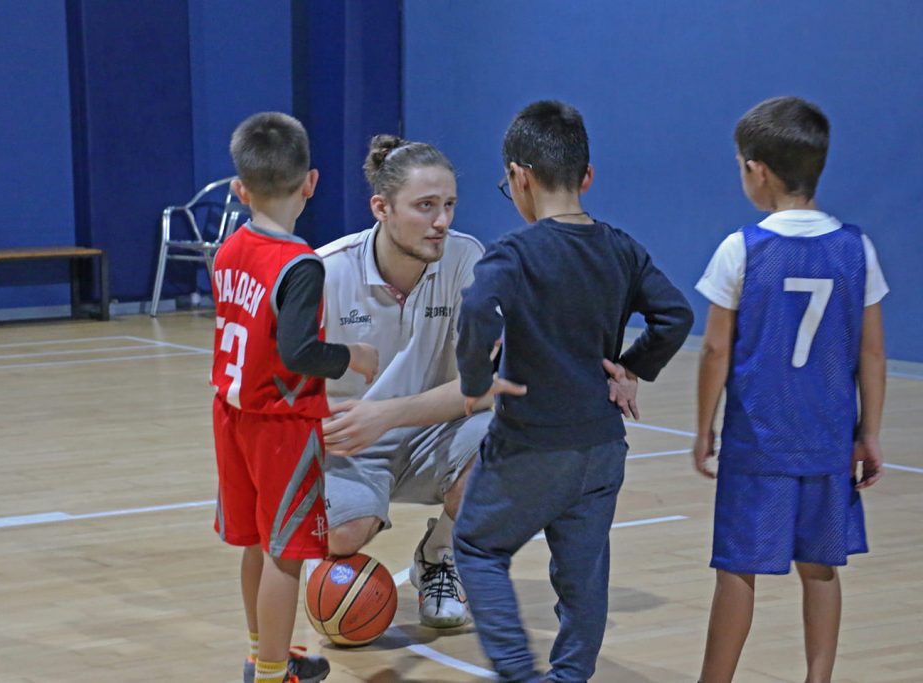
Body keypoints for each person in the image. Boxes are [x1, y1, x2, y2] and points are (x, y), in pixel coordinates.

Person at [453, 100, 695, 683]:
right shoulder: (622, 249)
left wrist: (475, 382)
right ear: (586, 177)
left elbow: (476, 308)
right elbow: (677, 316)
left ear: (519, 178)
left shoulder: (514, 252)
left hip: (530, 445)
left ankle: (520, 674)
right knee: (583, 576)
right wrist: (630, 367)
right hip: (602, 448)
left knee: (479, 548)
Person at [692, 96, 888, 683]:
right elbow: (871, 352)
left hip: (759, 445)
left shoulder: (743, 247)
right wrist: (870, 432)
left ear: (757, 170)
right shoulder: (857, 248)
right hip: (827, 441)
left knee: (736, 571)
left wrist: (704, 428)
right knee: (821, 569)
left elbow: (714, 349)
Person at [315, 135, 520, 628]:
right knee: (343, 536)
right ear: (381, 207)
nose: (442, 221)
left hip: (435, 432)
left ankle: (439, 554)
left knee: (511, 440)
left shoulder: (467, 262)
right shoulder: (325, 272)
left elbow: (481, 386)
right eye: (425, 206)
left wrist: (386, 414)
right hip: (347, 443)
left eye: (449, 205)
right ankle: (343, 586)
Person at [211, 112, 378, 683]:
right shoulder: (299, 263)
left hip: (231, 414)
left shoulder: (228, 249)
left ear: (239, 188)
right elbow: (300, 351)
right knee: (286, 552)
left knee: (255, 543)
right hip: (279, 423)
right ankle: (274, 671)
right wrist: (352, 355)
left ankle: (263, 651)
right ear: (311, 181)